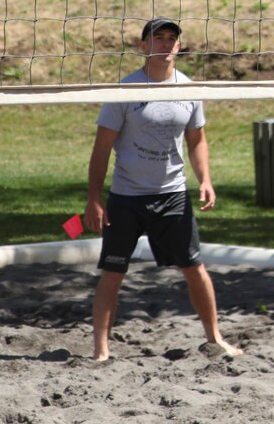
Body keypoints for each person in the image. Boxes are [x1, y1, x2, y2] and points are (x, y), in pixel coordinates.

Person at [83, 18, 241, 362]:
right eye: (159, 38)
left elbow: (197, 139)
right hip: (126, 197)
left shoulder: (188, 89)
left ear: (179, 47)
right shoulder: (125, 91)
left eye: (172, 38)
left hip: (172, 195)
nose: (166, 44)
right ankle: (101, 351)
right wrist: (94, 199)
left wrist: (206, 180)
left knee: (195, 268)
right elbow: (101, 149)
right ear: (144, 46)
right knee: (112, 273)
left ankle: (215, 338)